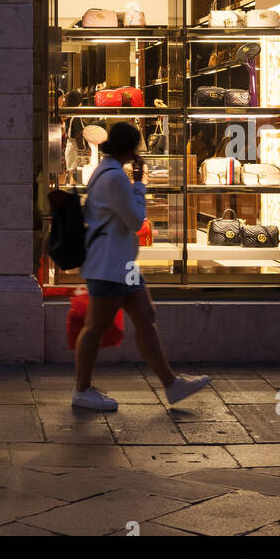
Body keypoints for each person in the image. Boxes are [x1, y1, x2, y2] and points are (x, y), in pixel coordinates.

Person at [73, 121, 210, 412]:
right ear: (130, 148)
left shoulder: (106, 172)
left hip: (119, 263)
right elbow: (135, 220)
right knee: (95, 327)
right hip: (110, 265)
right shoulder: (114, 178)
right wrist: (139, 185)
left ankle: (171, 383)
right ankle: (82, 390)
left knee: (145, 315)